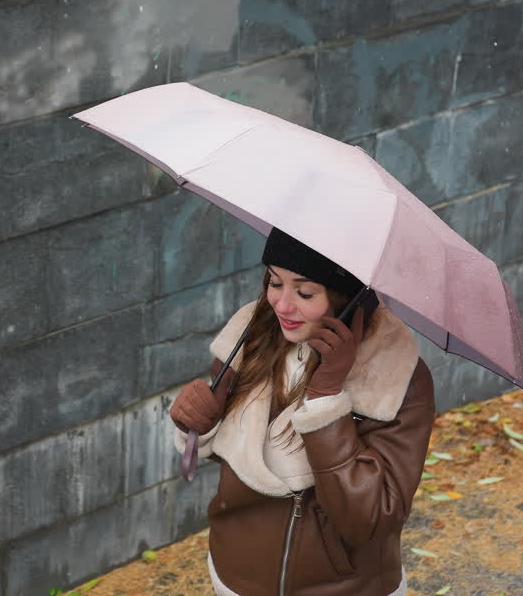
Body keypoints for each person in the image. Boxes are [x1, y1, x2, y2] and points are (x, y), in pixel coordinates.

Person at [171, 227, 435, 596]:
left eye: (305, 292)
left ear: (348, 297)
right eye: (275, 282)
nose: (281, 305)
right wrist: (199, 424)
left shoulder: (395, 375)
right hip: (237, 575)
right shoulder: (252, 336)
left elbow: (370, 519)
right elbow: (240, 462)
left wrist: (326, 401)